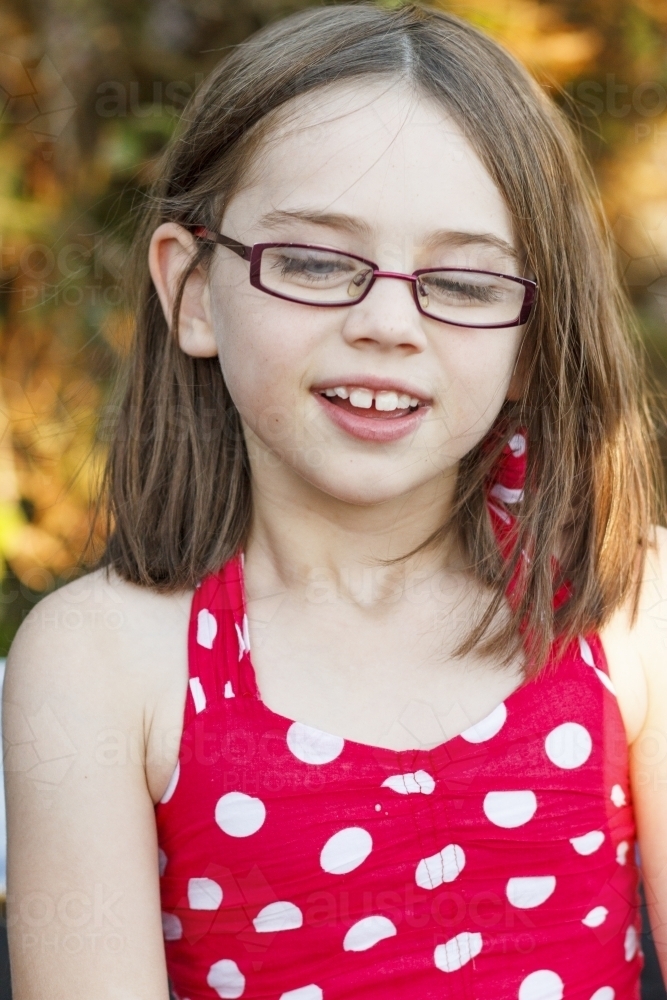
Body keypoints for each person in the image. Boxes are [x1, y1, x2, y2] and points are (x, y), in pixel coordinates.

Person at [4, 3, 667, 998]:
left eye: (465, 281)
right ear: (191, 293)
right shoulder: (102, 660)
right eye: (315, 263)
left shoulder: (626, 605)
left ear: (533, 333)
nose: (388, 323)